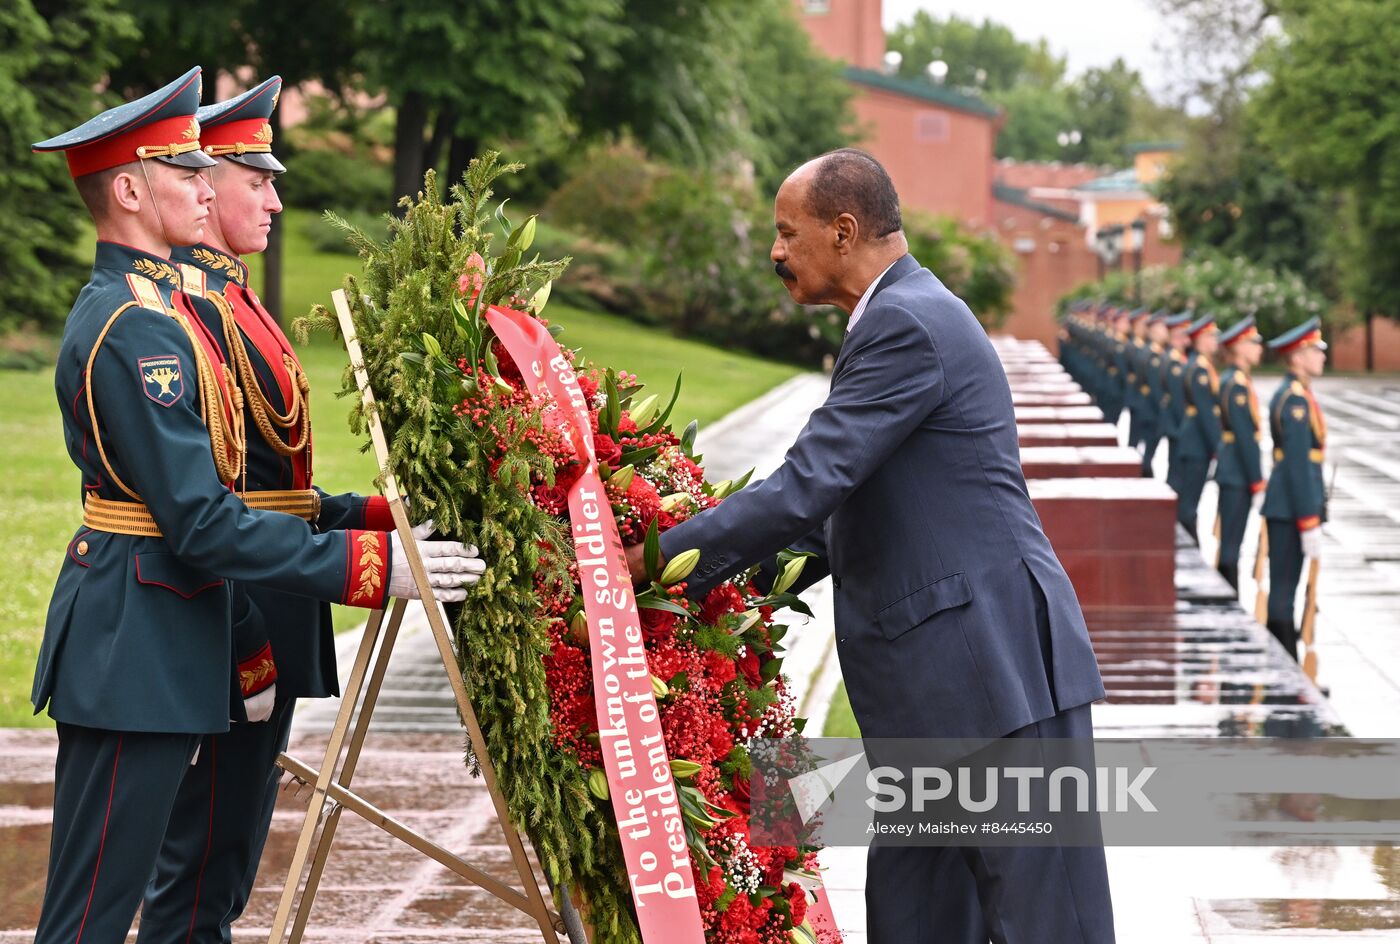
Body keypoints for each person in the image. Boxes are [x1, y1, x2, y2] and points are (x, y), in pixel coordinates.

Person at [29, 68, 483, 943]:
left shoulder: (154, 312)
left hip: (165, 632)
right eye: (186, 172)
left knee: (177, 891)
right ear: (128, 190)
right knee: (91, 916)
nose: (210, 189)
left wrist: (368, 526)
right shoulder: (136, 327)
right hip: (136, 641)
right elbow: (202, 516)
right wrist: (370, 567)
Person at [627, 149, 1113, 943]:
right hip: (939, 699)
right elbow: (830, 520)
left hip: (995, 684)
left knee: (1050, 925)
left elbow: (808, 484)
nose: (775, 252)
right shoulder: (897, 317)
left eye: (788, 233)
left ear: (844, 230)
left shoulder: (905, 321)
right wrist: (715, 596)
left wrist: (656, 561)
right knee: (914, 925)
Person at [134, 76, 398, 942]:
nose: (276, 201)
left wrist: (365, 513)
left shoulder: (232, 301)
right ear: (205, 189)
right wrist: (247, 644)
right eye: (260, 181)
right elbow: (209, 507)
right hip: (229, 619)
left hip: (266, 601)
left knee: (228, 855)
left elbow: (270, 480)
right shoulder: (192, 313)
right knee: (200, 870)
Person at [1261, 318, 1328, 660]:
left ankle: (1286, 661)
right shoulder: (1295, 401)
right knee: (1284, 590)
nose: (1322, 357)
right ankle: (1284, 664)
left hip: (1288, 505)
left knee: (1287, 586)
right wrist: (1308, 519)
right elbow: (1300, 466)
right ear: (1298, 357)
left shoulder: (1298, 394)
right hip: (1291, 507)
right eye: (1315, 350)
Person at [1212, 317, 1265, 590]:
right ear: (1239, 348)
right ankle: (1226, 600)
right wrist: (1257, 480)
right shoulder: (1236, 385)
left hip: (1234, 471)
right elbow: (1245, 438)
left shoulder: (1236, 380)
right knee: (1231, 545)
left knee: (1231, 542)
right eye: (1253, 343)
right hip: (1237, 474)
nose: (1259, 348)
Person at [1166, 313, 1221, 543]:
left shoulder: (1202, 365)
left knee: (1189, 501)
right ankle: (1188, 547)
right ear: (1201, 339)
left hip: (1195, 442)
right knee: (1189, 504)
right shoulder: (1199, 369)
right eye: (1212, 336)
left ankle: (1188, 544)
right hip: (1196, 444)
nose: (1216, 341)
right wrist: (1219, 447)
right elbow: (1206, 413)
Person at [1137, 310, 1169, 477]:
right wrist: (1163, 410)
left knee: (1150, 448)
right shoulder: (1153, 355)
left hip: (1149, 408)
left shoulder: (1154, 352)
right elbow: (1156, 388)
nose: (1166, 332)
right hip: (1152, 410)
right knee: (1149, 449)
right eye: (1162, 328)